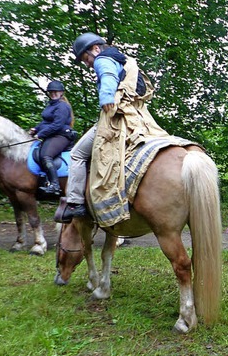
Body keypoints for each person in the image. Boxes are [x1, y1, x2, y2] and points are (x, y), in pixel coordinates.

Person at [58, 32, 166, 224]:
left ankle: (75, 202)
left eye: (86, 58)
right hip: (140, 118)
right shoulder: (125, 61)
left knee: (77, 154)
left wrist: (106, 97)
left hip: (117, 118)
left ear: (96, 49)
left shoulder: (103, 60)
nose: (88, 64)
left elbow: (107, 75)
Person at [29, 80, 75, 196]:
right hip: (52, 134)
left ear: (61, 93)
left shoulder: (62, 106)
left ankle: (55, 185)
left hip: (61, 135)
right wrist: (36, 129)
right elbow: (45, 122)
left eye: (56, 91)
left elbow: (57, 125)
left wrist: (40, 134)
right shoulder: (50, 105)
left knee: (46, 155)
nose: (53, 93)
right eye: (51, 92)